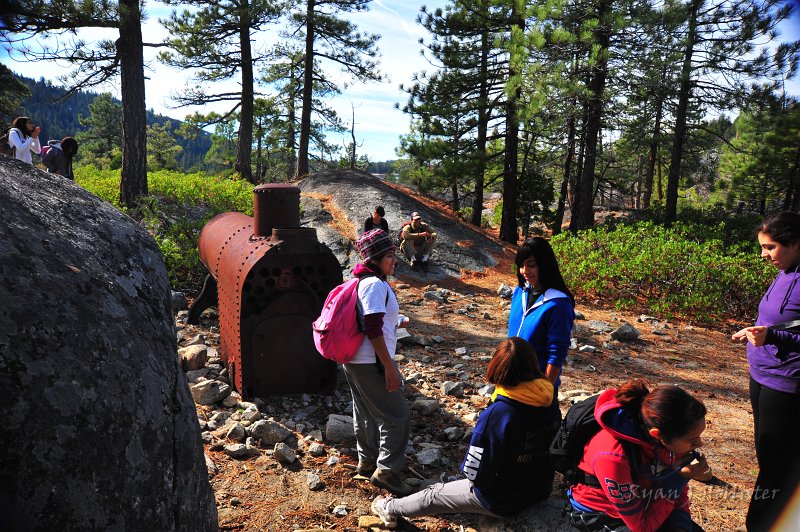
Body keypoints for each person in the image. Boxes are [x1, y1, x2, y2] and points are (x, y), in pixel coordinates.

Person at [371, 337, 561, 528]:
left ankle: (389, 507)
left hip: (502, 499)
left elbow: (474, 474)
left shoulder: (498, 414)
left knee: (434, 494)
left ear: (497, 368)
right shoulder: (548, 398)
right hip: (541, 488)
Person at [731, 211, 800, 532]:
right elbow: (781, 321)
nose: (763, 254)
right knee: (767, 456)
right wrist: (754, 331)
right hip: (761, 375)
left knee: (776, 463)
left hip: (787, 384)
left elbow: (783, 332)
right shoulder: (785, 271)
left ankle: (763, 524)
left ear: (795, 243)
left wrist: (773, 337)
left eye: (770, 247)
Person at [566, 380, 710, 532]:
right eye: (693, 440)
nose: (699, 444)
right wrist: (677, 479)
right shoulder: (613, 456)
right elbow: (642, 527)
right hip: (601, 512)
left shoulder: (669, 439)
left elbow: (677, 493)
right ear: (657, 434)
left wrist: (681, 525)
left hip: (646, 501)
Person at [344, 228, 413, 497]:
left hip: (356, 359)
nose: (394, 260)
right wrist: (388, 366)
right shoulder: (374, 284)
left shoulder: (364, 281)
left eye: (394, 254)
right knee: (397, 415)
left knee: (365, 411)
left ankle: (367, 461)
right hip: (370, 361)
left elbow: (374, 321)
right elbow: (372, 328)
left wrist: (396, 322)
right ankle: (386, 472)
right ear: (374, 259)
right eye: (388, 255)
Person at [507, 237, 575, 390]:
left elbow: (557, 353)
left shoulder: (558, 304)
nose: (525, 271)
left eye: (531, 265)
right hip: (510, 381)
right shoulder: (520, 292)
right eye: (521, 265)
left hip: (536, 387)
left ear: (545, 264)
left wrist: (545, 389)